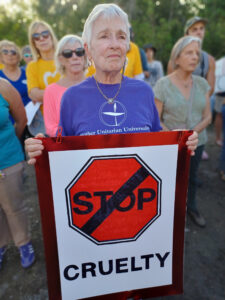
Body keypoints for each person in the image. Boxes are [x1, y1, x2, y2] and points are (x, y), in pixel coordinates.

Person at [25, 4, 198, 170]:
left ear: (126, 47)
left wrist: (179, 140)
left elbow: (156, 145)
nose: (114, 44)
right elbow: (63, 155)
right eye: (104, 36)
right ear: (88, 50)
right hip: (91, 195)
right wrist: (41, 148)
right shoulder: (72, 97)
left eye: (122, 36)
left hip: (140, 194)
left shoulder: (144, 92)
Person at [154, 36, 211, 227]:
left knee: (192, 178)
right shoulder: (163, 84)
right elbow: (156, 119)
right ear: (176, 58)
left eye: (197, 53)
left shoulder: (202, 83)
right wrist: (176, 136)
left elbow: (208, 117)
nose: (195, 57)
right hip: (170, 144)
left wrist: (192, 134)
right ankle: (168, 215)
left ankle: (191, 208)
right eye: (189, 52)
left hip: (198, 141)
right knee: (169, 180)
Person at [0, 78, 35, 269]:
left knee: (14, 206)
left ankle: (24, 243)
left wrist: (9, 145)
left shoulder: (3, 86)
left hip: (7, 158)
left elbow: (21, 120)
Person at [43, 34, 86, 137]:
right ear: (61, 59)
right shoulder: (51, 91)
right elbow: (51, 128)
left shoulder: (97, 85)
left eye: (79, 52)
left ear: (85, 56)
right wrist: (74, 137)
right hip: (65, 147)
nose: (75, 57)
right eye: (68, 53)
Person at [0, 40, 31, 110]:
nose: (9, 54)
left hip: (33, 117)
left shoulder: (28, 73)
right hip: (8, 119)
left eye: (13, 52)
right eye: (5, 52)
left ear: (18, 56)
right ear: (1, 57)